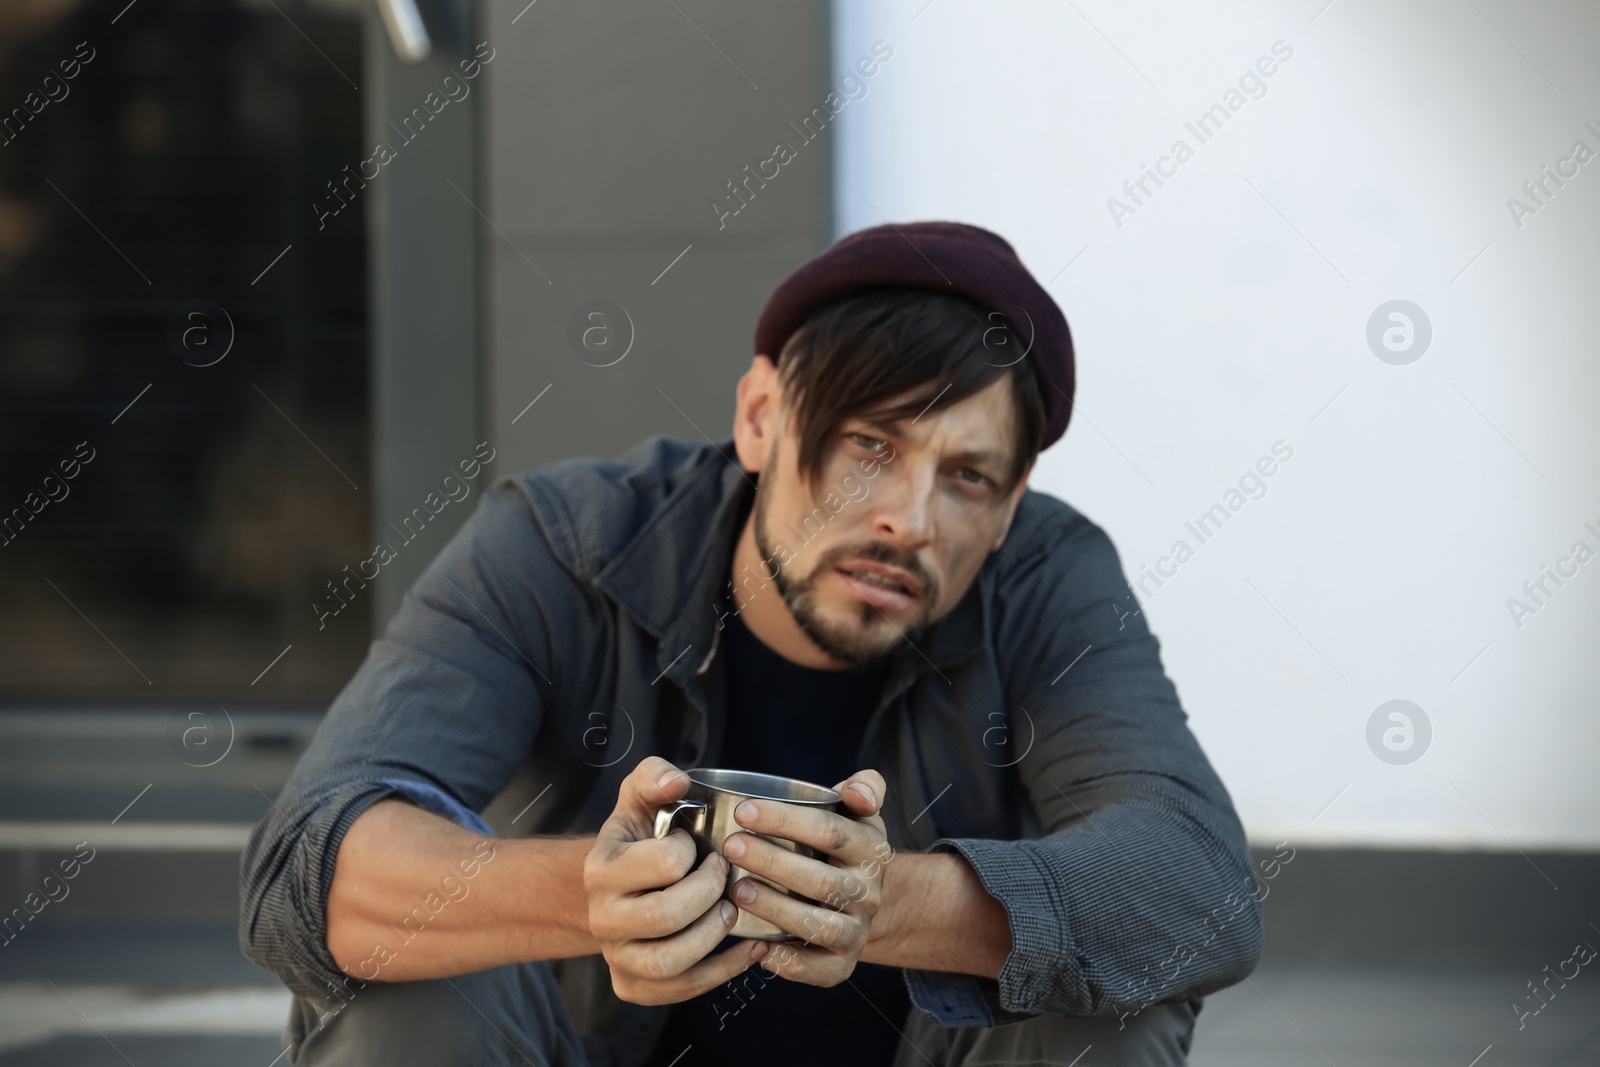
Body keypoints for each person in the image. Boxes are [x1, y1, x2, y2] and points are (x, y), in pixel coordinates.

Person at [239, 221, 1263, 1066]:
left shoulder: (1045, 575)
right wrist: (596, 893)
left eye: (966, 477)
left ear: (1006, 509)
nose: (909, 518)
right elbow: (302, 870)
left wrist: (881, 899)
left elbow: (1197, 882)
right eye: (872, 445)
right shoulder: (561, 545)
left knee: (1111, 994)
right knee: (408, 984)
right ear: (763, 416)